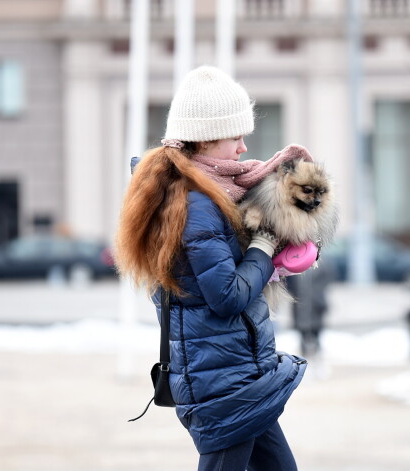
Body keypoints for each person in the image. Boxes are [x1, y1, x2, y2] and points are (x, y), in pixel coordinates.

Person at [114, 66, 309, 471]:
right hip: (222, 381)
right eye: (235, 136)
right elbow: (226, 296)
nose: (242, 147)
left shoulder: (196, 194)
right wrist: (264, 245)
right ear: (205, 138)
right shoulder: (198, 204)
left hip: (235, 373)